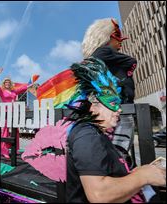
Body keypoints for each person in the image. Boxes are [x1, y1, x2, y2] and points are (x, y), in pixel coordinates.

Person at [63, 57, 165, 202]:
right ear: (93, 105)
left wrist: (135, 174)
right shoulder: (87, 135)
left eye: (119, 104)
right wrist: (143, 176)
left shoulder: (98, 133)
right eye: (113, 103)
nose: (118, 110)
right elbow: (99, 195)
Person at [82, 18, 138, 166]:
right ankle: (119, 172)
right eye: (117, 37)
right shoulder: (103, 51)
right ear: (107, 37)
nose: (120, 42)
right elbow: (132, 61)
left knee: (115, 146)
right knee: (120, 147)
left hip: (115, 106)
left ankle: (119, 170)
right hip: (119, 107)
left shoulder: (105, 58)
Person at [0, 67, 31, 159]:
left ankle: (15, 149)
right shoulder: (1, 91)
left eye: (9, 82)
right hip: (5, 113)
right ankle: (4, 151)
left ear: (10, 84)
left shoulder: (14, 91)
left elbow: (24, 88)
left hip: (14, 113)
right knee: (5, 131)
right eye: (5, 82)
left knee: (15, 130)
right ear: (4, 84)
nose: (7, 84)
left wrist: (31, 83)